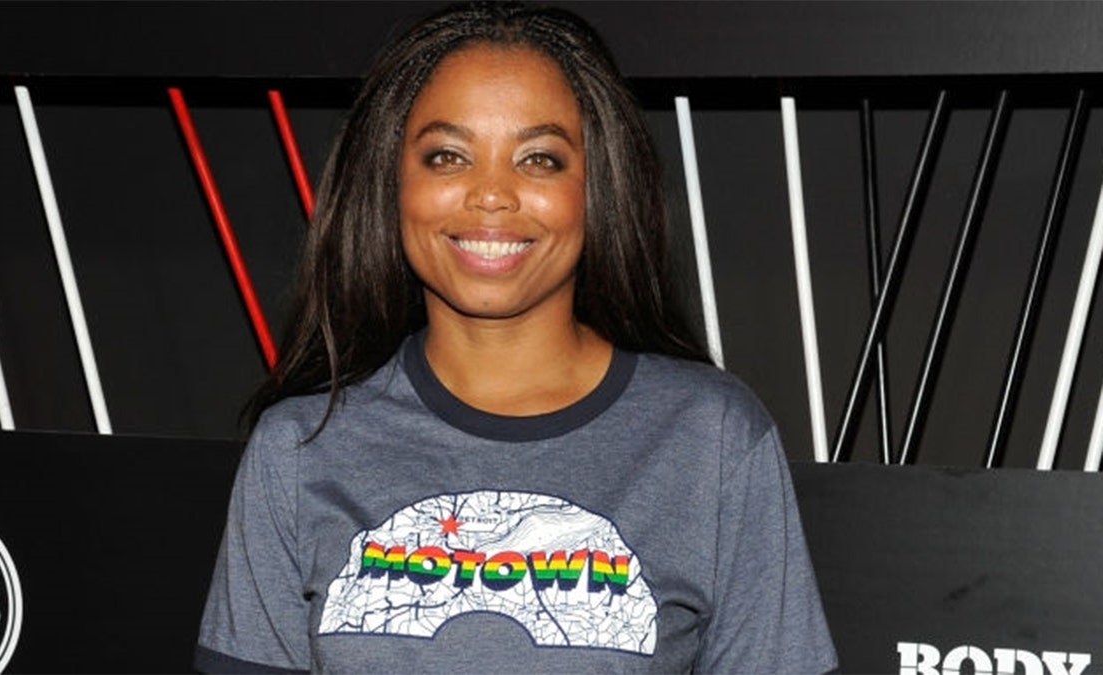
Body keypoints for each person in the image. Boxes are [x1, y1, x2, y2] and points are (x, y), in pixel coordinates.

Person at [195, 2, 838, 672]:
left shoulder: (713, 440)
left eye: (539, 158)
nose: (492, 194)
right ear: (392, 185)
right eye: (448, 156)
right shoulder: (300, 446)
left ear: (596, 187)